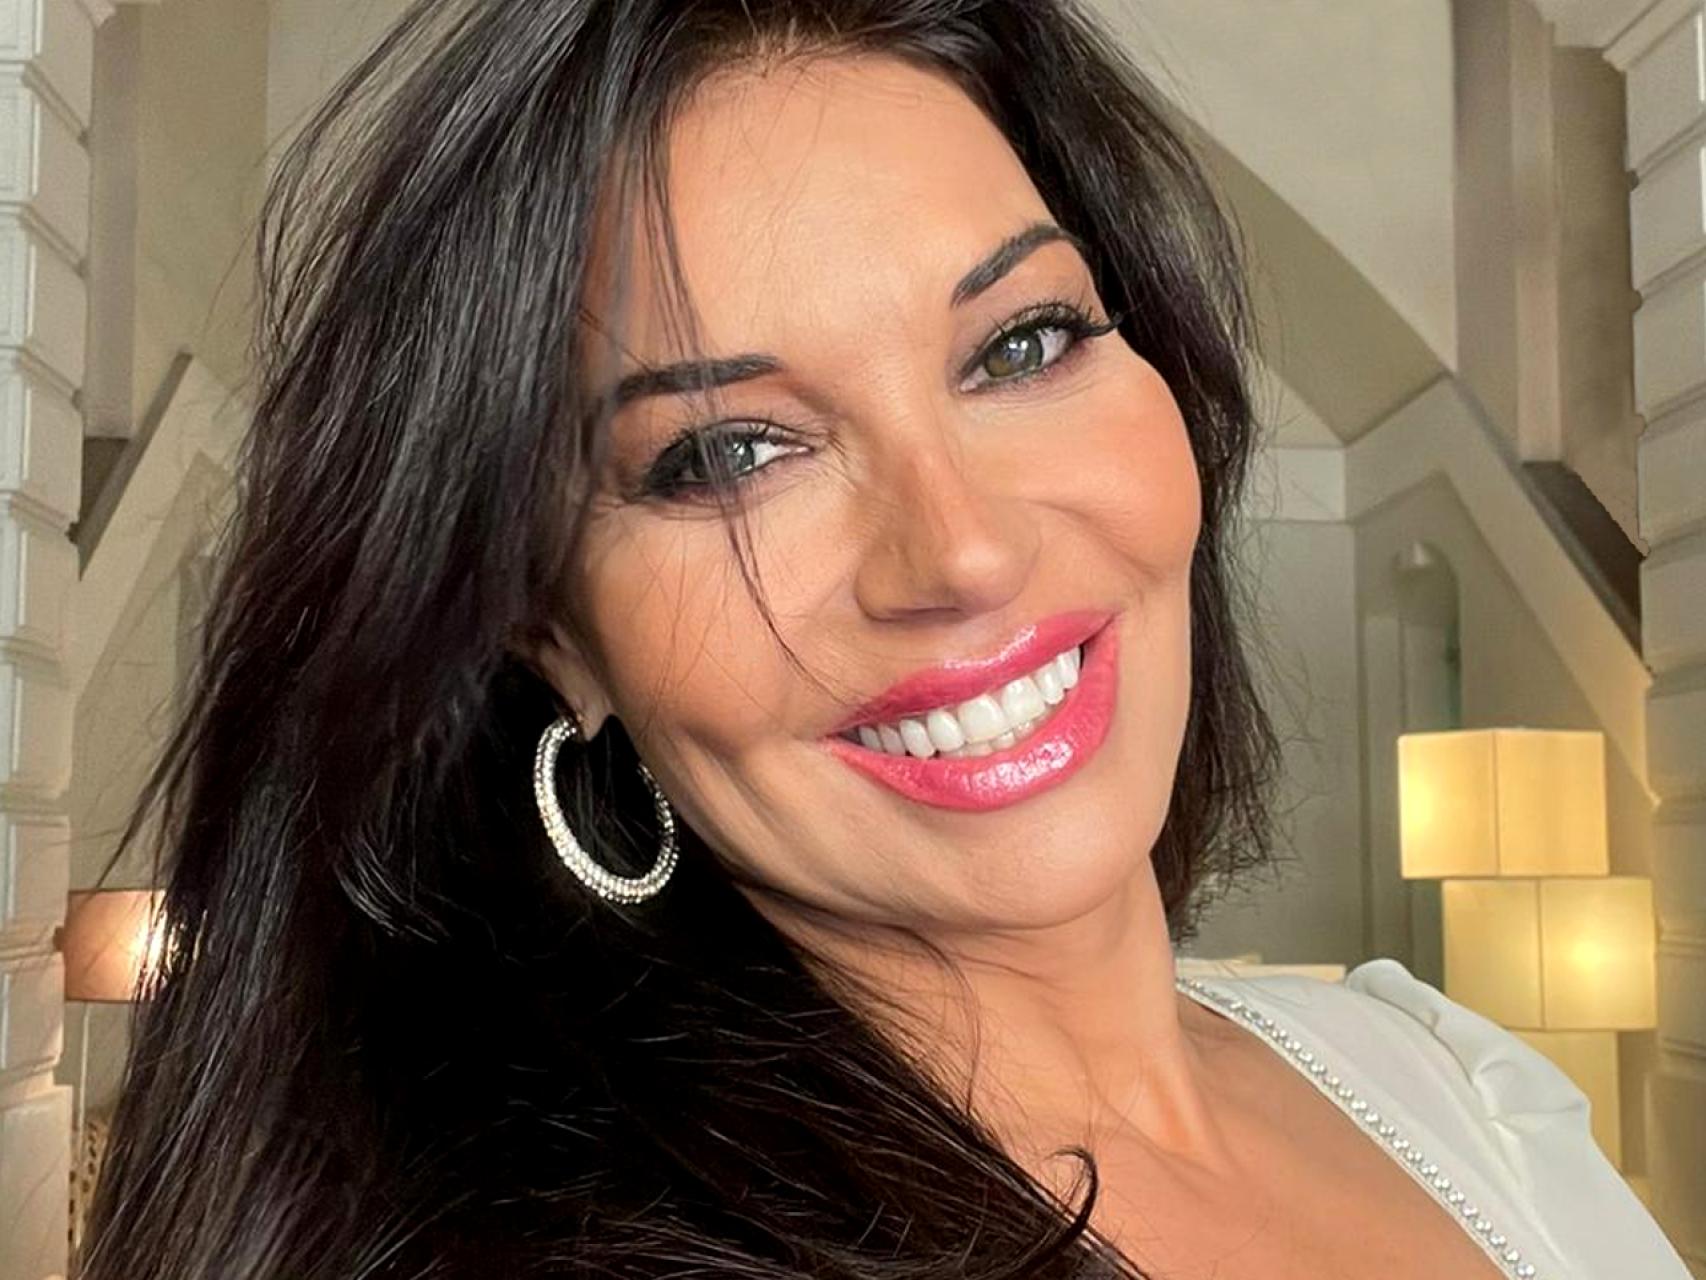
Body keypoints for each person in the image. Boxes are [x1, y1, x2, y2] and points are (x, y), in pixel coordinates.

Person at [81, 2, 1689, 1277]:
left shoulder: (1439, 1071)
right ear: (549, 632)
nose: (962, 550)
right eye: (727, 454)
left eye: (1023, 343)